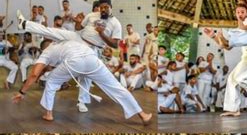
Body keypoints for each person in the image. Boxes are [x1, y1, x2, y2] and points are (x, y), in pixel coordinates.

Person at [12, 37, 152, 125]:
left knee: (52, 82)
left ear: (43, 47)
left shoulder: (46, 52)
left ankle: (48, 114)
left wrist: (21, 92)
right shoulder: (65, 43)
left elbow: (34, 74)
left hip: (74, 62)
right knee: (116, 87)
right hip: (91, 59)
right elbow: (49, 67)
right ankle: (143, 115)